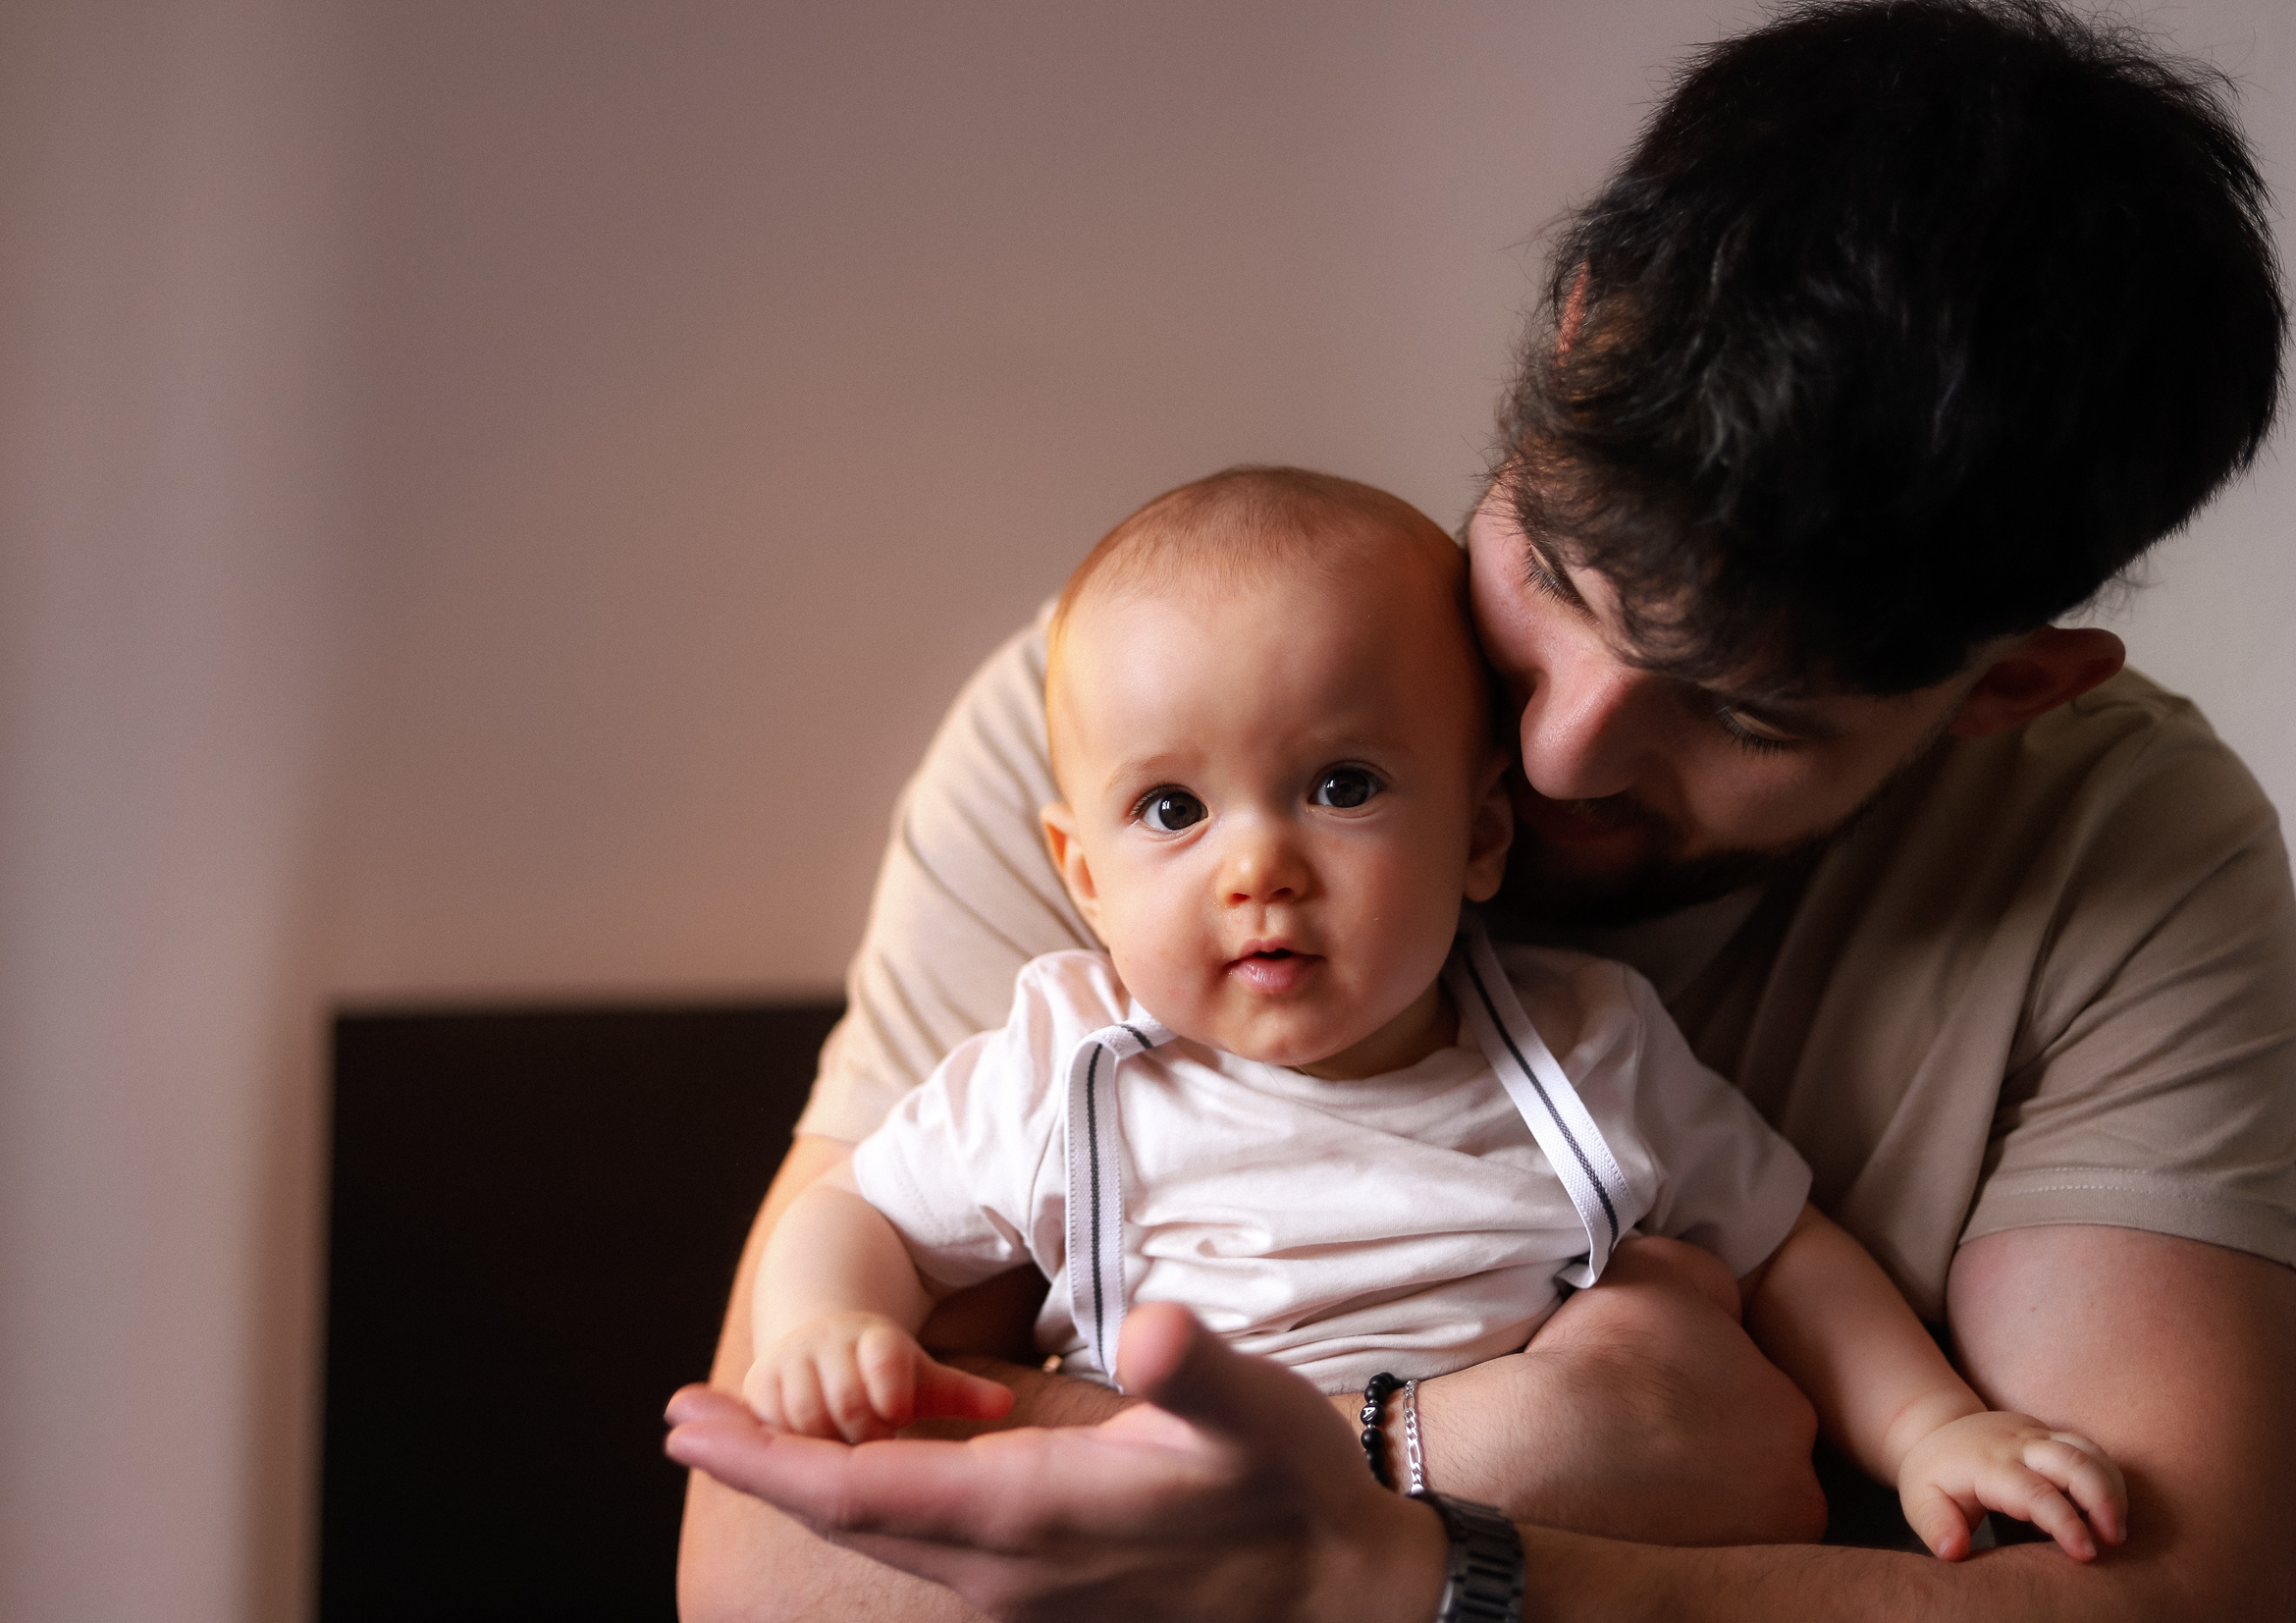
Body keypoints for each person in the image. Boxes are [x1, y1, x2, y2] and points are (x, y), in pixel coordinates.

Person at [671, 2, 2296, 1618]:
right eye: (1562, 576)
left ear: (2012, 686)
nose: (1563, 752)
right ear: (1579, 329)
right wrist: (1489, 1455)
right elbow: (770, 1565)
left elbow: (2172, 1598)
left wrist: (1434, 1573)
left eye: (1745, 712)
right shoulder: (1132, 721)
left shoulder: (2120, 860)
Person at [741, 466, 2128, 1566]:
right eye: (1172, 809)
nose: (1259, 866)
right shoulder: (1062, 1068)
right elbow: (862, 1214)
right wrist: (825, 1324)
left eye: (1341, 787)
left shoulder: (1584, 1043)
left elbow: (1785, 1250)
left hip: (1522, 1570)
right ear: (1084, 878)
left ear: (1480, 835)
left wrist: (1930, 1425)